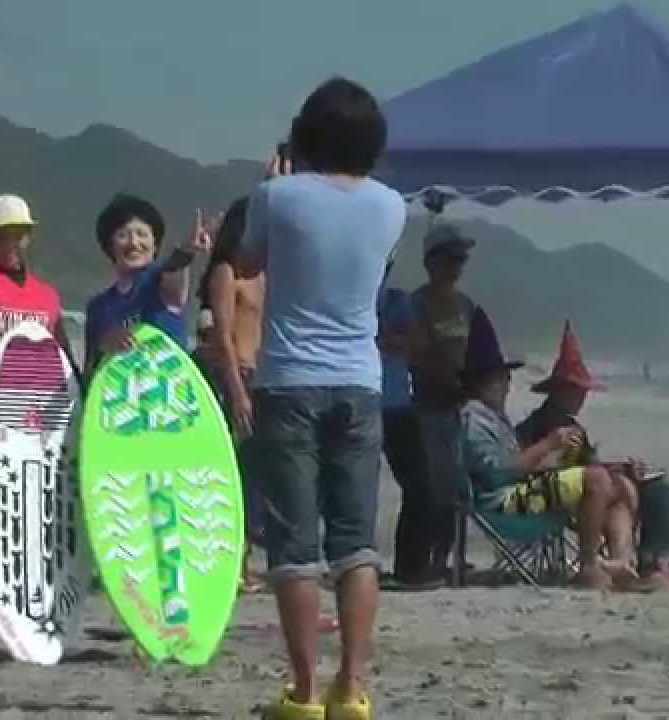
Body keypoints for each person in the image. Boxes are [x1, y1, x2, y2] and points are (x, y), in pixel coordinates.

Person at [245, 77, 406, 720]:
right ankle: (353, 689)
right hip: (359, 381)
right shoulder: (393, 206)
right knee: (355, 544)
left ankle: (305, 692)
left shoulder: (276, 196)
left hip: (289, 380)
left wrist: (276, 180)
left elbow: (250, 262)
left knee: (295, 546)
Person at [0, 193, 78, 656]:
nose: (10, 242)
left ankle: (26, 621)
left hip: (37, 427)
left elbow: (64, 359)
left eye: (16, 233)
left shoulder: (46, 295)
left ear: (28, 235)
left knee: (30, 526)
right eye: (1, 234)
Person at [457, 308, 638, 591]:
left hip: (520, 492)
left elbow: (516, 465)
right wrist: (549, 444)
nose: (507, 387)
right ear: (486, 382)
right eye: (504, 379)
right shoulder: (473, 417)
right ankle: (588, 567)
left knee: (617, 486)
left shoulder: (494, 418)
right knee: (596, 480)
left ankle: (620, 563)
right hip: (501, 503)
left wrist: (550, 461)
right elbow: (497, 472)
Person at [516, 320, 669, 588]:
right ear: (560, 391)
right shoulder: (536, 428)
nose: (582, 398)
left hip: (589, 490)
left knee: (653, 487)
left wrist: (621, 467)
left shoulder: (573, 427)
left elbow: (590, 463)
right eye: (577, 391)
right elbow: (535, 469)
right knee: (630, 490)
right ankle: (643, 563)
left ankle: (630, 563)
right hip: (562, 496)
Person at [195, 195, 267, 585]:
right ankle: (230, 561)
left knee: (252, 474)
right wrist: (236, 390)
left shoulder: (262, 272)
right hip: (229, 373)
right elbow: (220, 335)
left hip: (258, 374)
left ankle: (242, 556)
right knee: (230, 470)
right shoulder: (227, 272)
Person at [409, 222, 478, 581]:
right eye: (452, 257)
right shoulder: (417, 303)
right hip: (428, 404)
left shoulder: (466, 306)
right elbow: (412, 353)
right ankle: (431, 559)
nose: (458, 265)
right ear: (432, 261)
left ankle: (447, 556)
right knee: (435, 486)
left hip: (459, 404)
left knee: (456, 485)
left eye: (461, 258)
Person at [83, 194, 211, 375]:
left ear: (155, 243)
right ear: (109, 246)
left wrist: (186, 251)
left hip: (168, 394)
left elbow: (174, 271)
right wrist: (104, 347)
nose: (134, 243)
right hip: (121, 398)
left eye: (142, 234)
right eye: (123, 235)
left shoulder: (160, 283)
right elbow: (90, 369)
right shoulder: (98, 307)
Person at [377, 262, 438, 587]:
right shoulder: (362, 299)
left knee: (420, 486)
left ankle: (411, 568)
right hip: (373, 398)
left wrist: (385, 340)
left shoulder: (396, 300)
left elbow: (419, 342)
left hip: (395, 401)